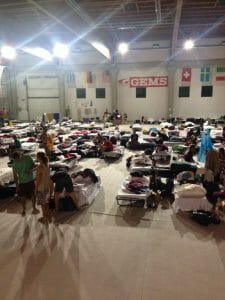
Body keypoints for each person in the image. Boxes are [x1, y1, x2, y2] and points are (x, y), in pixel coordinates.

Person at [12, 151, 39, 216]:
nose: (17, 160)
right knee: (22, 197)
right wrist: (17, 186)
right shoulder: (14, 163)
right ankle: (24, 209)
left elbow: (35, 165)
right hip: (21, 182)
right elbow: (15, 176)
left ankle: (34, 207)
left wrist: (30, 169)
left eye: (18, 159)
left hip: (30, 180)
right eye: (15, 160)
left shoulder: (28, 157)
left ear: (20, 156)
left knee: (33, 195)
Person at [35, 152, 52, 224]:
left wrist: (35, 189)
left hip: (41, 188)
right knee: (46, 203)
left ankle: (44, 218)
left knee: (42, 204)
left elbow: (38, 180)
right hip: (46, 187)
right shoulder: (47, 165)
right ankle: (48, 216)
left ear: (38, 158)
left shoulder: (39, 167)